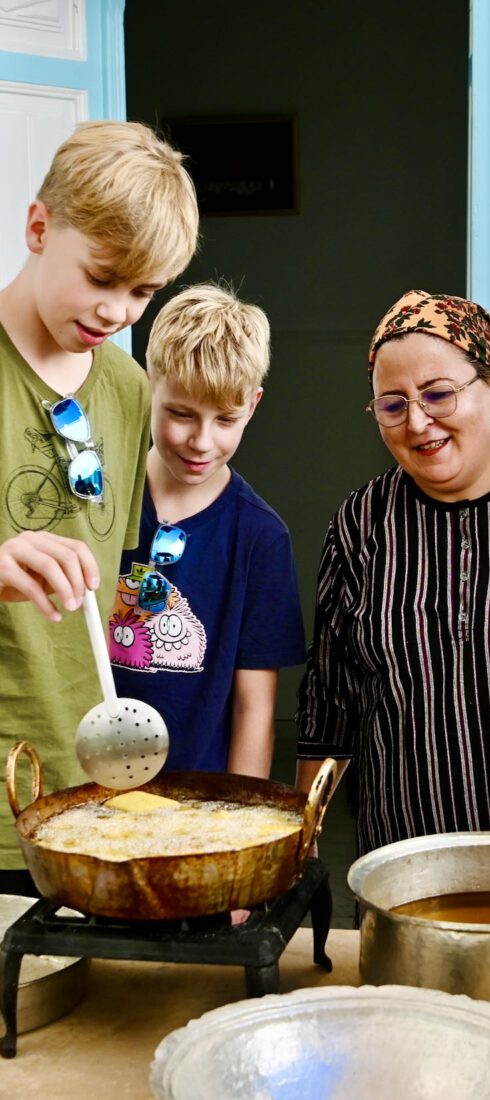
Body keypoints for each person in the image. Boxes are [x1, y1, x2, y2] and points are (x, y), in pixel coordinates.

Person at [295, 290, 490, 858]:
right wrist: (303, 840)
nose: (417, 422)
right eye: (392, 405)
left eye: (437, 394)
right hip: (407, 853)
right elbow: (329, 698)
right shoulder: (363, 521)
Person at [0, 120, 199, 893]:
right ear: (39, 227)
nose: (118, 310)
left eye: (143, 292)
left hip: (84, 788)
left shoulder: (125, 390)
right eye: (103, 277)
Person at [110, 284, 306, 779]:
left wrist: (239, 828)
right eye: (180, 414)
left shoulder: (261, 538)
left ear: (253, 405)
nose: (201, 442)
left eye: (226, 419)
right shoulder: (103, 502)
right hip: (85, 790)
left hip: (200, 804)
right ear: (147, 384)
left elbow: (254, 710)